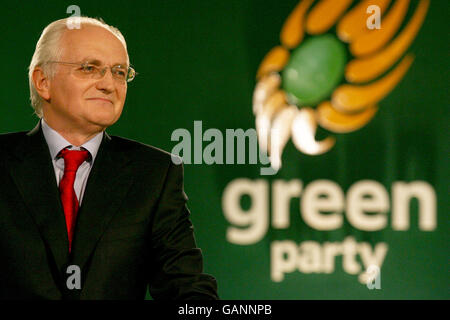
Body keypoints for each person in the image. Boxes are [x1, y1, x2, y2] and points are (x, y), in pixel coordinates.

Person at [0, 17, 218, 300]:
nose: (108, 84)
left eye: (119, 72)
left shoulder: (154, 174)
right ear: (43, 81)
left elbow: (187, 287)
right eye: (90, 68)